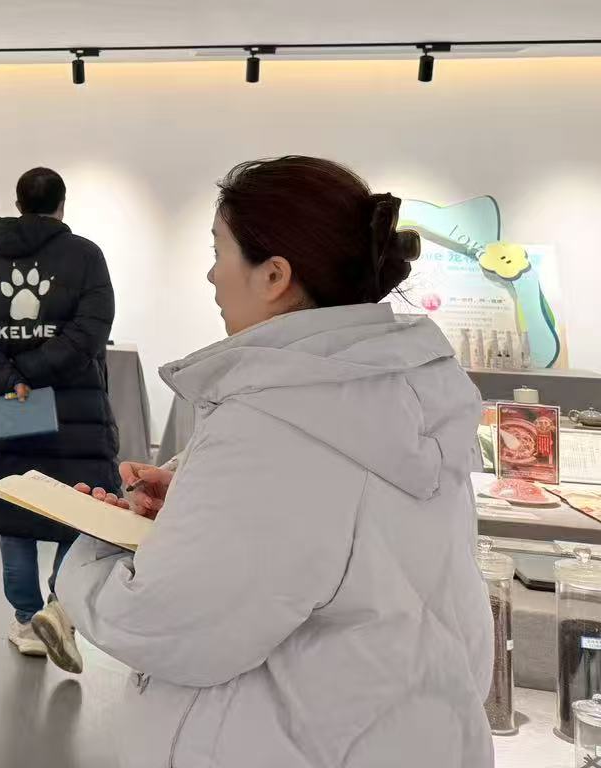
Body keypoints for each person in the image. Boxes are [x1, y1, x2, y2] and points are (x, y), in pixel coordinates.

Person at [58, 156, 491, 767]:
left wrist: (96, 550)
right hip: (404, 731)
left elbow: (168, 621)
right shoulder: (407, 395)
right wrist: (199, 497)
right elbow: (344, 535)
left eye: (219, 250)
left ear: (274, 275)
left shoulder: (276, 420)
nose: (211, 274)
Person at [0, 166, 116, 672]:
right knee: (76, 507)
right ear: (61, 204)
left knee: (15, 506)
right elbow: (91, 330)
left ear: (18, 203)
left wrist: (12, 377)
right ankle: (60, 610)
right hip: (73, 406)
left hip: (12, 401)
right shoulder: (86, 256)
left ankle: (26, 621)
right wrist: (38, 370)